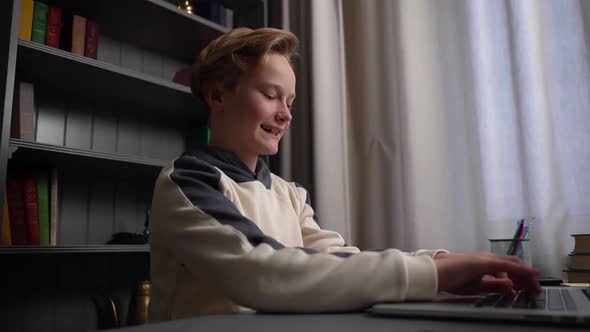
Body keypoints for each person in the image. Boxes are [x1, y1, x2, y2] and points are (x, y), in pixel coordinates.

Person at [148, 27, 541, 322]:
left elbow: (337, 261)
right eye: (270, 96)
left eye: (290, 101)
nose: (285, 114)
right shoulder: (187, 181)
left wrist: (439, 265)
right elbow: (261, 270)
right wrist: (433, 274)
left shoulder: (289, 194)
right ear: (217, 96)